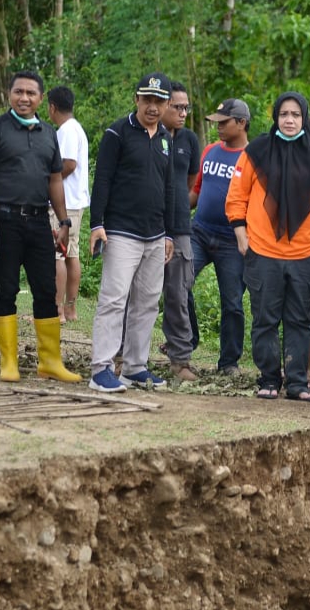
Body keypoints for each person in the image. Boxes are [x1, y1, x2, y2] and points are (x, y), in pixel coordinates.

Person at [226, 91, 310, 401]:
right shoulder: (257, 150)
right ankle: (269, 379)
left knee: (299, 319)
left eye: (296, 115)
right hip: (262, 251)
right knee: (265, 318)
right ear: (276, 117)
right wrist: (241, 234)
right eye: (284, 114)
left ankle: (298, 383)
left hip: (305, 253)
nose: (290, 120)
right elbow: (237, 194)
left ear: (304, 118)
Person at [0, 71, 79, 384]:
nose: (24, 98)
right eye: (18, 92)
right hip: (4, 220)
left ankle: (50, 362)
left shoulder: (49, 133)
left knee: (46, 290)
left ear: (41, 98)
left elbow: (55, 180)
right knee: (6, 288)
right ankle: (9, 362)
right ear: (10, 94)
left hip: (39, 222)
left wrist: (63, 220)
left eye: (30, 93)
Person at [86, 72, 178, 392]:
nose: (153, 107)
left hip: (155, 234)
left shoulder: (165, 138)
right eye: (147, 100)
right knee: (114, 300)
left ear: (167, 104)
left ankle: (135, 367)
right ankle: (101, 368)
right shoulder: (118, 132)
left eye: (159, 101)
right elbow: (102, 180)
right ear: (136, 99)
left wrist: (169, 233)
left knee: (148, 302)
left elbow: (169, 187)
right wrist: (96, 224)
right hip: (121, 231)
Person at [190, 98, 251, 375]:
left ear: (241, 123)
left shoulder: (252, 158)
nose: (218, 127)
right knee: (178, 280)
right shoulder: (211, 150)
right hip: (199, 232)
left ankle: (228, 362)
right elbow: (197, 191)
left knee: (233, 303)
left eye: (224, 122)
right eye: (217, 122)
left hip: (232, 240)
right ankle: (188, 338)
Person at [160, 81, 201, 381]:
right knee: (138, 294)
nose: (183, 113)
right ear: (163, 106)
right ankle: (123, 356)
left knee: (178, 294)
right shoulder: (149, 135)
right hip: (147, 226)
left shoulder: (189, 139)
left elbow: (189, 181)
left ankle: (180, 361)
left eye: (186, 107)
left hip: (180, 228)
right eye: (177, 107)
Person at [45, 86, 89, 323]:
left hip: (64, 203)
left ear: (52, 107)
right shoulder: (76, 128)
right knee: (71, 254)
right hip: (75, 202)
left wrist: (47, 179)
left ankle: (58, 310)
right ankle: (70, 310)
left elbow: (69, 164)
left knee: (57, 255)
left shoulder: (66, 131)